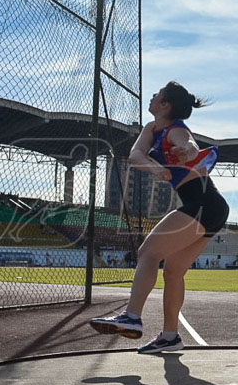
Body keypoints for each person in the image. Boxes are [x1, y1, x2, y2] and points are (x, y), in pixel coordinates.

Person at [89, 81, 228, 353]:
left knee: (148, 252)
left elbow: (188, 143)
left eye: (158, 94)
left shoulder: (175, 129)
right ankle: (170, 336)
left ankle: (132, 317)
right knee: (174, 271)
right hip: (209, 207)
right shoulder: (152, 129)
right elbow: (135, 155)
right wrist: (154, 168)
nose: (152, 96)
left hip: (201, 204)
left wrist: (187, 151)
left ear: (165, 105)